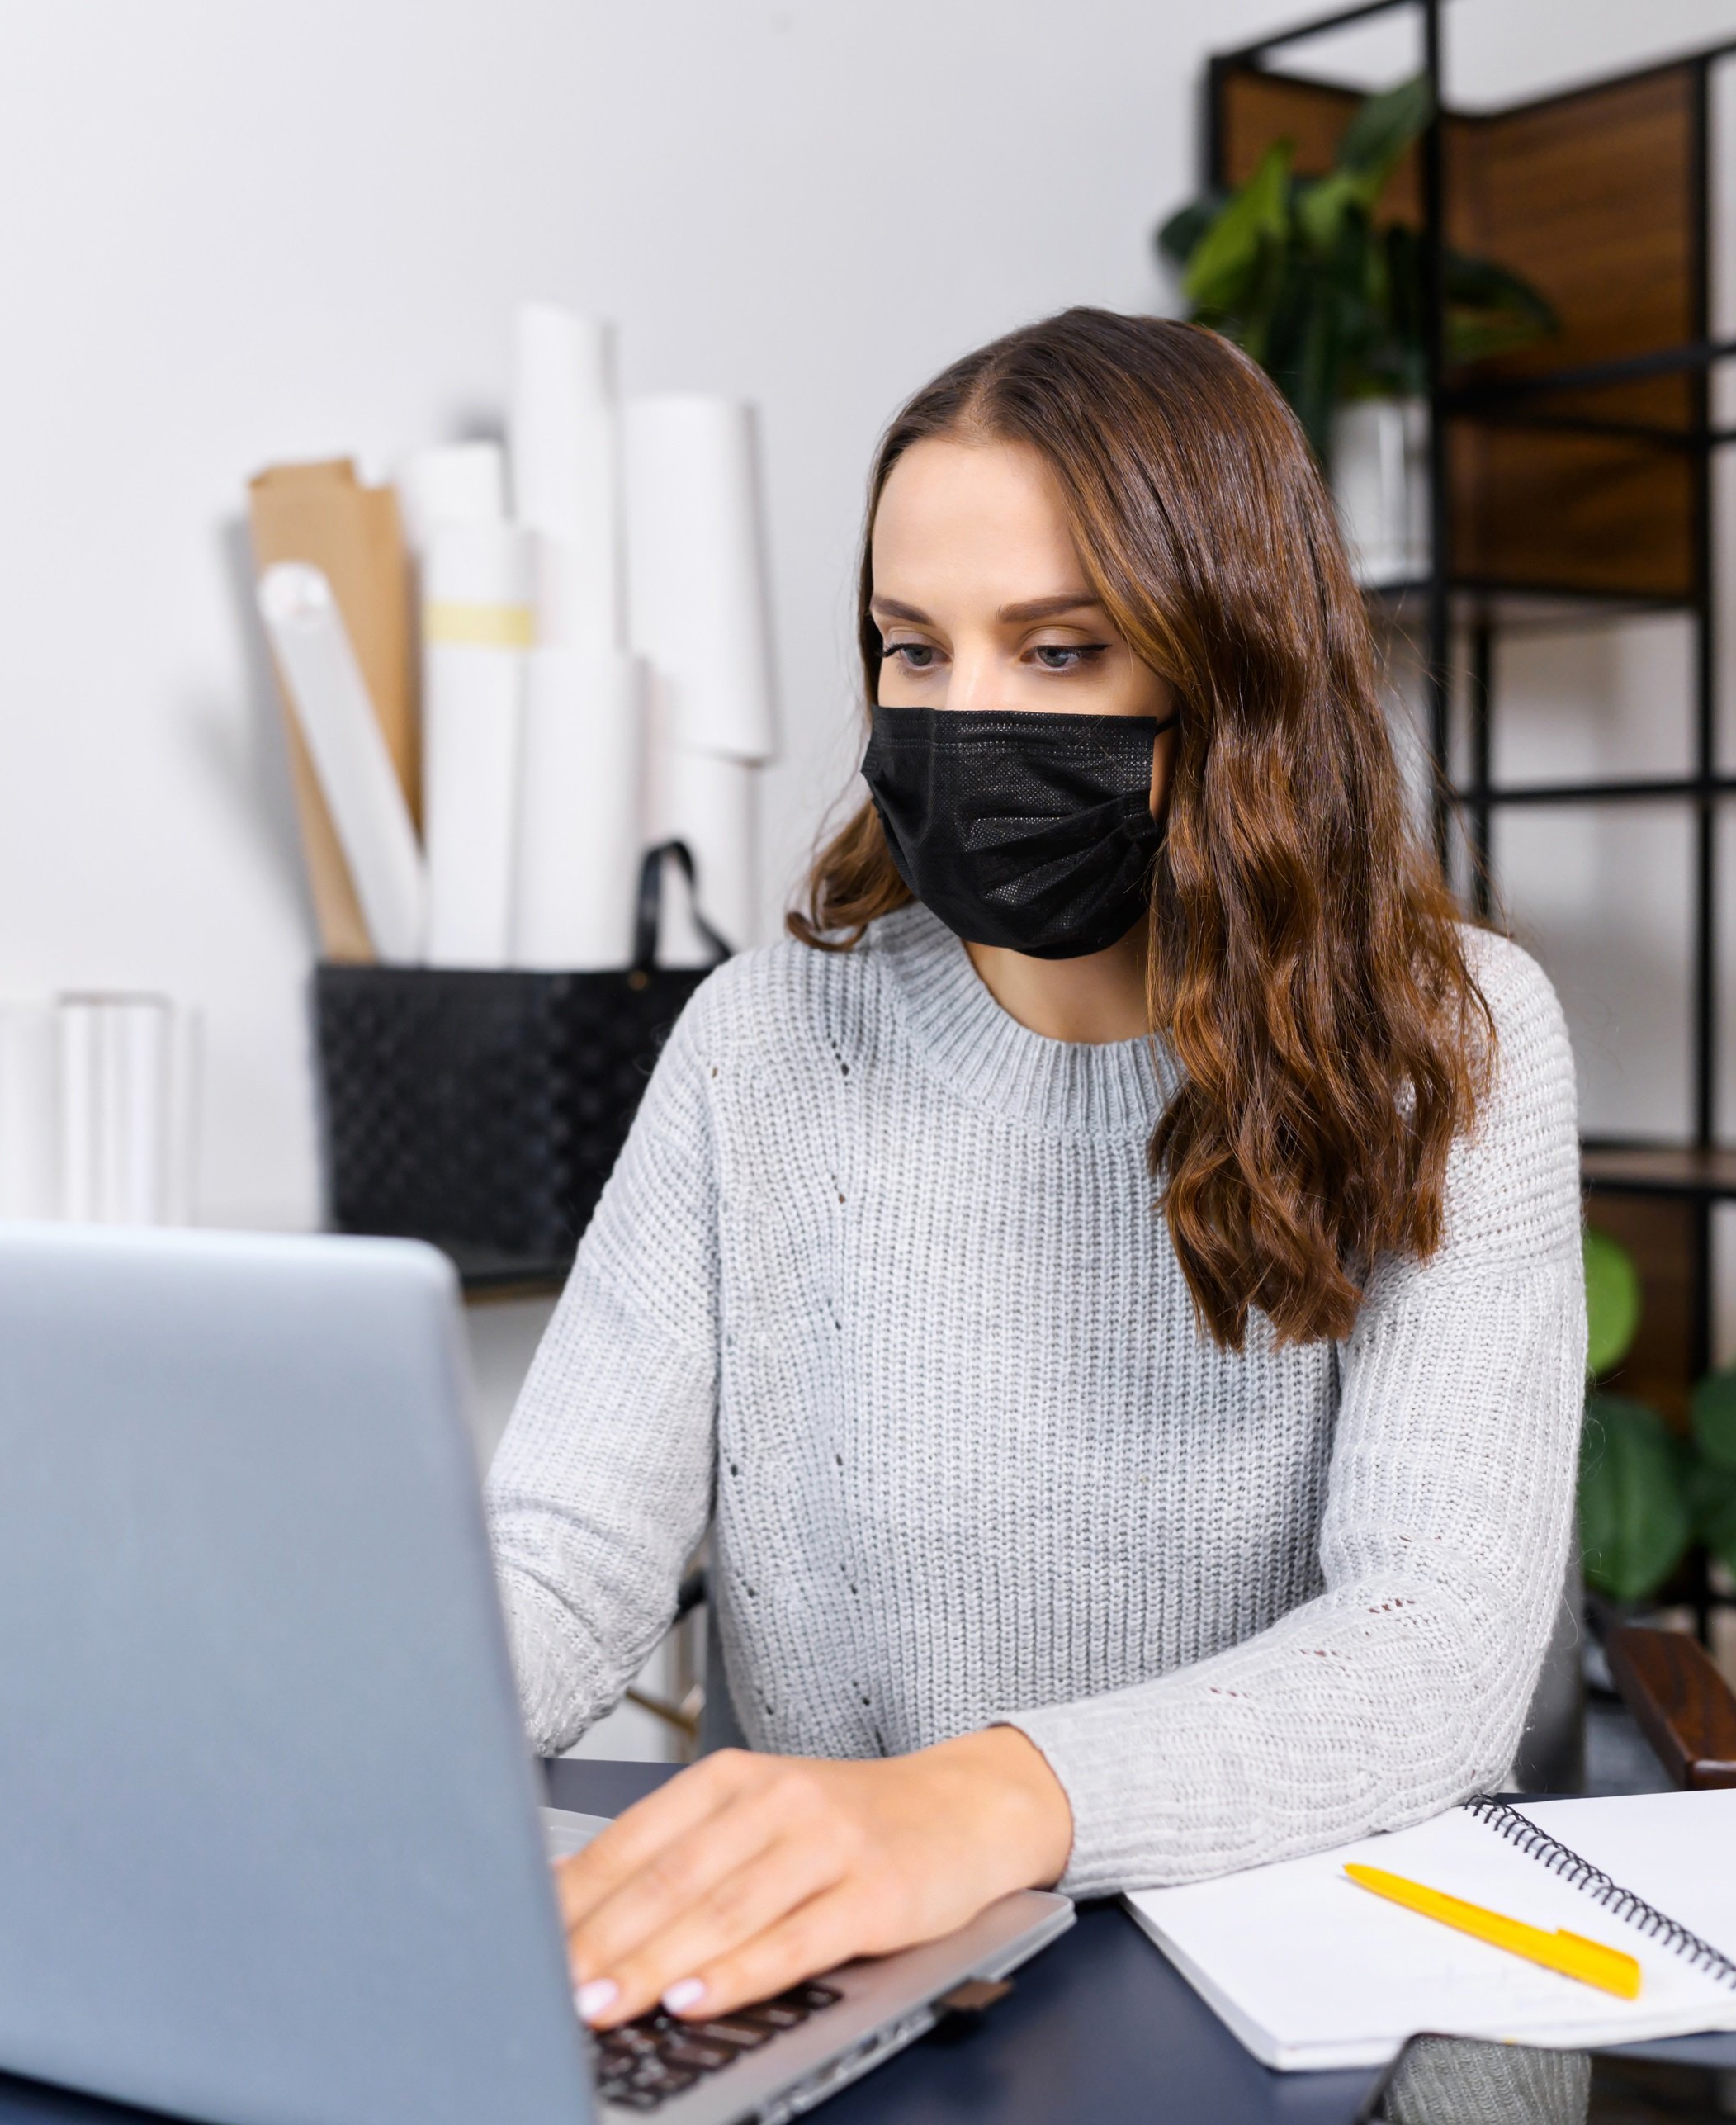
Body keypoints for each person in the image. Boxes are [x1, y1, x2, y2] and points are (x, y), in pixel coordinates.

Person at [485, 307, 1581, 2036]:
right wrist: (349, 1745)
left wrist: (976, 1805)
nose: (964, 712)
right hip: (831, 1991)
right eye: (913, 650)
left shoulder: (1453, 1044)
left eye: (1058, 652)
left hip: (1269, 1995)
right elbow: (561, 1555)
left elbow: (1435, 1650)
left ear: (1230, 667)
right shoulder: (759, 1041)